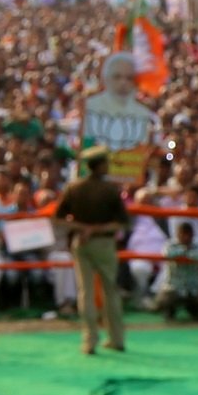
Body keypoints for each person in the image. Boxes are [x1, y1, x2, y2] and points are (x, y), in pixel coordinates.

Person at [54, 146, 131, 356]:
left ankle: (89, 341)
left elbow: (58, 218)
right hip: (104, 244)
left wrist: (83, 228)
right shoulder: (111, 190)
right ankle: (116, 339)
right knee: (111, 292)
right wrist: (97, 229)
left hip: (81, 243)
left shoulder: (73, 188)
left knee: (85, 292)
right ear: (100, 165)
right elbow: (123, 223)